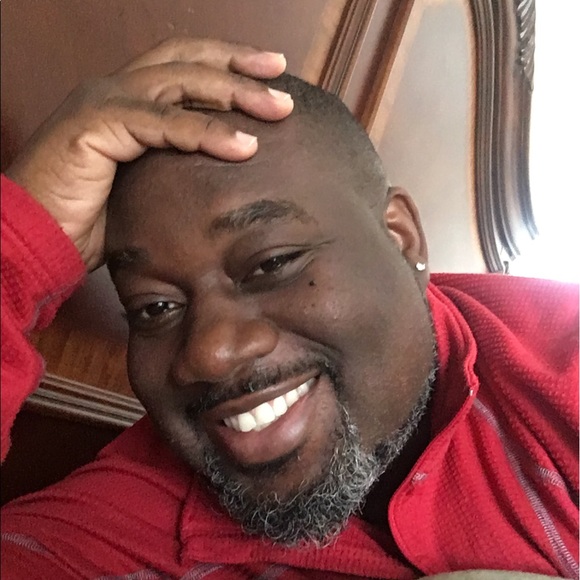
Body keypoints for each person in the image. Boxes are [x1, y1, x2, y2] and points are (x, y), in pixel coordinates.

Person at [1, 38, 577, 580]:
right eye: (154, 307)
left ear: (401, 239)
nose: (210, 352)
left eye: (272, 263)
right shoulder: (127, 521)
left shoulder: (559, 367)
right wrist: (17, 248)